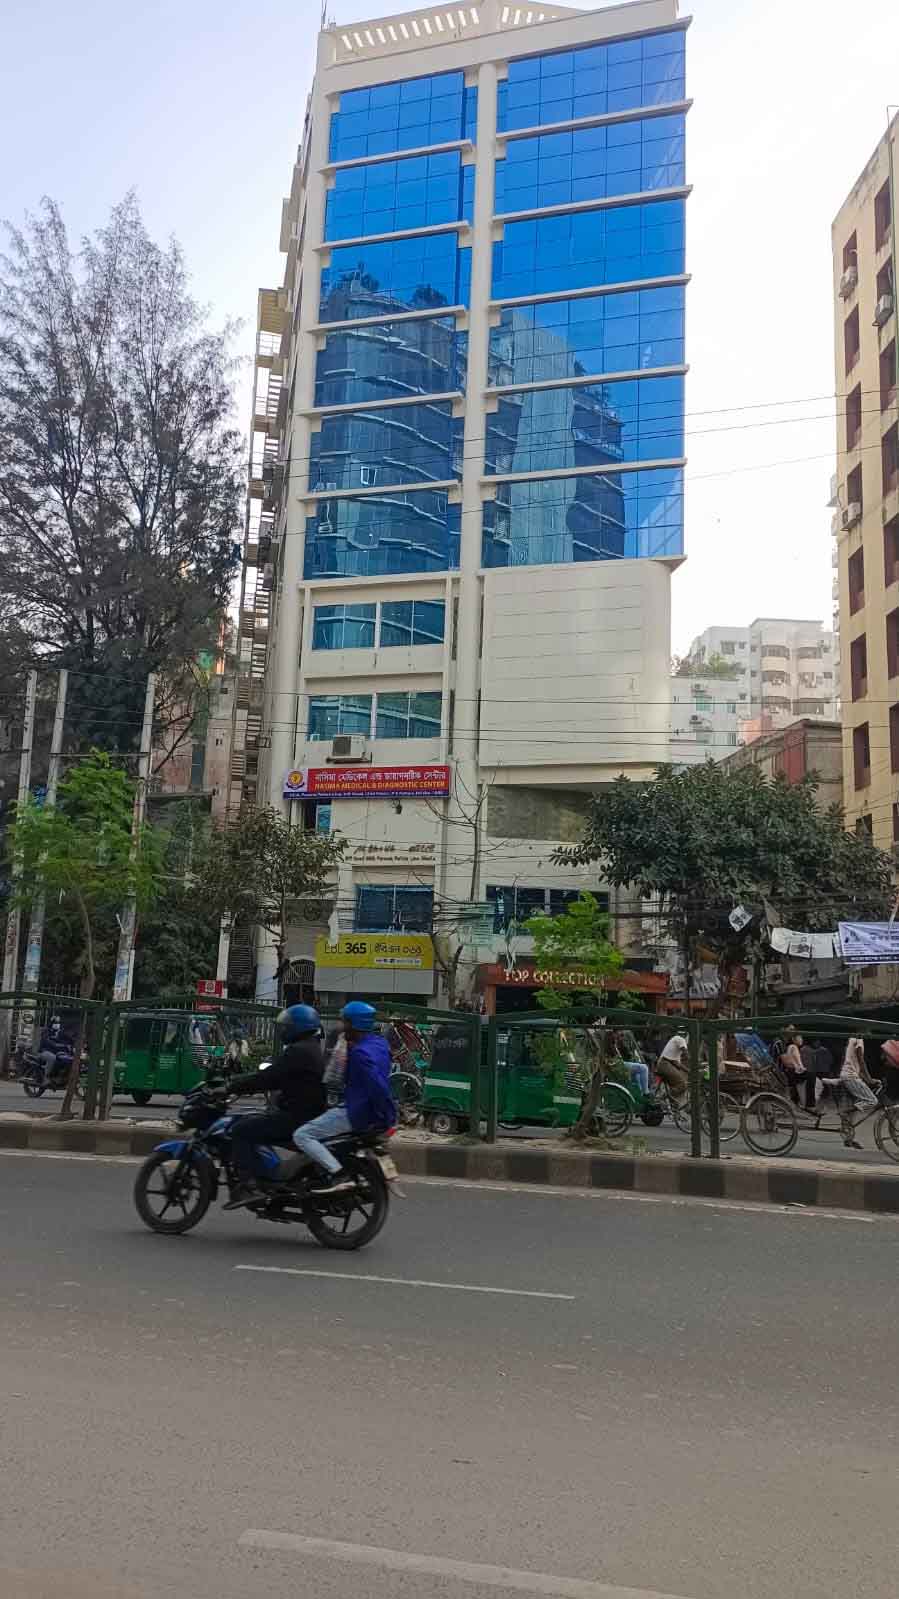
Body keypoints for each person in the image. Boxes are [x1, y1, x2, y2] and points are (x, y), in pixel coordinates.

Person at [224, 1004, 326, 1208]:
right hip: (307, 1114)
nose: (283, 1030)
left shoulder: (298, 1051)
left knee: (241, 1129)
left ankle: (248, 1187)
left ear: (298, 1027)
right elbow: (278, 1077)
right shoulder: (311, 1048)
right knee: (258, 1120)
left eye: (287, 1026)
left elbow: (268, 1077)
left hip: (296, 1117)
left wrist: (231, 1087)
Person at [291, 1000, 396, 1194]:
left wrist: (388, 1115)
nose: (341, 1026)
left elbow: (378, 1087)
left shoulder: (359, 1053)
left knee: (302, 1135)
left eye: (344, 1022)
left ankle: (338, 1174)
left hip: (357, 1112)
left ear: (354, 1024)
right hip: (366, 1109)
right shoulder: (380, 1044)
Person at [838, 1036, 880, 1149]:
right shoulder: (859, 1040)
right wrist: (869, 1080)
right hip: (850, 1077)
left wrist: (867, 1079)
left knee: (854, 1109)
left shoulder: (851, 1040)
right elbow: (861, 1061)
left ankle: (849, 1139)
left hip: (847, 1075)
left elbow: (854, 1065)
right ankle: (845, 1112)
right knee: (872, 1100)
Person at [655, 1032, 688, 1104]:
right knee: (682, 1084)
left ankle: (673, 1104)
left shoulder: (675, 1044)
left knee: (677, 1084)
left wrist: (688, 1071)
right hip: (665, 1064)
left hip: (663, 1064)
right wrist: (696, 1064)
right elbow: (686, 1054)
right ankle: (662, 1098)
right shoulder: (680, 1039)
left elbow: (677, 1064)